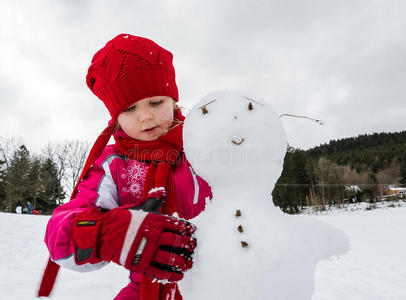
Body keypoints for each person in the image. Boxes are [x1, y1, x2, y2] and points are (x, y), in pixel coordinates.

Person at [40, 34, 212, 300]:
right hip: (148, 292)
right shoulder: (114, 165)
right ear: (115, 117)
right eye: (130, 108)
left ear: (173, 100)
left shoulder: (207, 143)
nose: (145, 116)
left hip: (224, 285)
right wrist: (106, 234)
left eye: (156, 102)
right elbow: (59, 234)